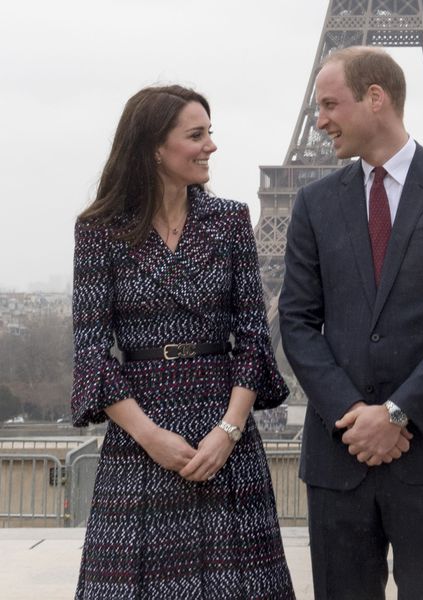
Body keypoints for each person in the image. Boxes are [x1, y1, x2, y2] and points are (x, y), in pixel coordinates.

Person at [278, 47, 423, 600]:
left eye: (330, 104)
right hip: (342, 450)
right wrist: (356, 414)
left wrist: (398, 414)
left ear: (375, 98)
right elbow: (297, 321)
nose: (320, 120)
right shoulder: (313, 203)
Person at [71, 84, 295, 599]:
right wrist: (150, 436)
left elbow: (255, 342)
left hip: (224, 432)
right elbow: (91, 352)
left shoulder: (231, 222)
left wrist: (228, 431)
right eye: (196, 135)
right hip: (140, 434)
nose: (210, 146)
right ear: (154, 147)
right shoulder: (100, 230)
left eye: (209, 133)